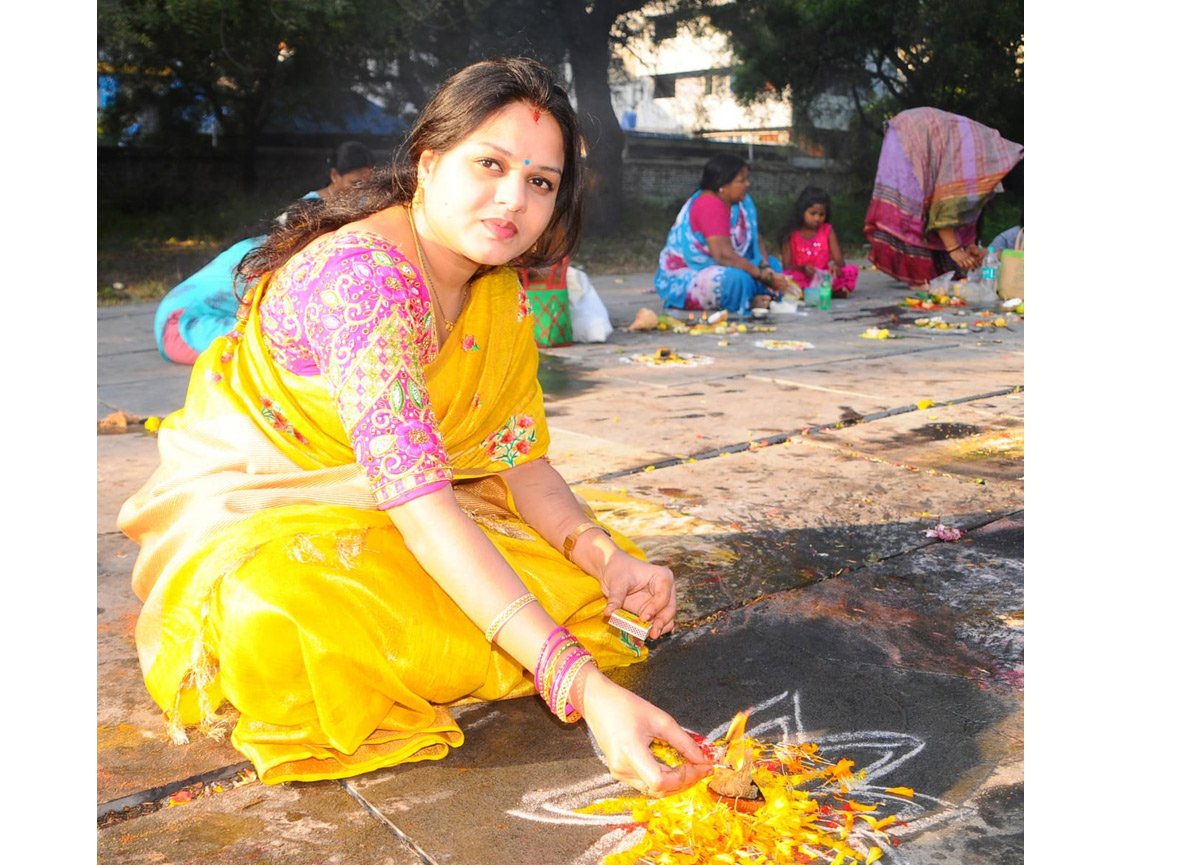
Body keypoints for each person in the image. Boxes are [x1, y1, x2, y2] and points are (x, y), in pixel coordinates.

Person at [119, 58, 713, 797]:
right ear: (429, 164)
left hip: (407, 501)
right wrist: (586, 692)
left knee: (592, 590)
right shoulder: (365, 282)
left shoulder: (494, 287)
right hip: (264, 505)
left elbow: (519, 463)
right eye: (489, 165)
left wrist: (603, 559)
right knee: (286, 618)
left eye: (540, 182)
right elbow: (430, 516)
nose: (512, 200)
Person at [154, 142, 377, 365]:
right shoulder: (283, 254)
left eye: (367, 185)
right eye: (355, 183)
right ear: (334, 175)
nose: (360, 192)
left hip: (180, 320)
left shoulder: (278, 240)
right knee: (284, 347)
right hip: (182, 327)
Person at [863, 107, 1023, 286]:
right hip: (914, 136)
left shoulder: (998, 157)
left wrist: (969, 246)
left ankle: (931, 276)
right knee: (919, 207)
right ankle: (919, 276)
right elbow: (945, 203)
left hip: (923, 132)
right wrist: (955, 249)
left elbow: (968, 207)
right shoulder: (989, 162)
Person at [654, 153, 789, 319]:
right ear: (722, 185)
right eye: (741, 181)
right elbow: (723, 256)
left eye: (747, 179)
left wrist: (766, 267)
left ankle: (753, 298)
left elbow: (755, 238)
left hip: (730, 265)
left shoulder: (741, 204)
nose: (748, 184)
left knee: (774, 265)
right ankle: (749, 299)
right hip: (690, 275)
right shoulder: (709, 204)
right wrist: (765, 277)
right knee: (736, 281)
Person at [779, 186, 858, 298]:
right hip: (801, 276)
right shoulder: (790, 233)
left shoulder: (827, 230)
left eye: (821, 215)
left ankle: (818, 292)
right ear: (802, 211)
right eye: (813, 213)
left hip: (823, 277)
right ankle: (829, 292)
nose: (817, 218)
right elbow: (786, 266)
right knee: (786, 276)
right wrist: (803, 268)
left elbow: (840, 261)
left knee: (851, 270)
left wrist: (836, 267)